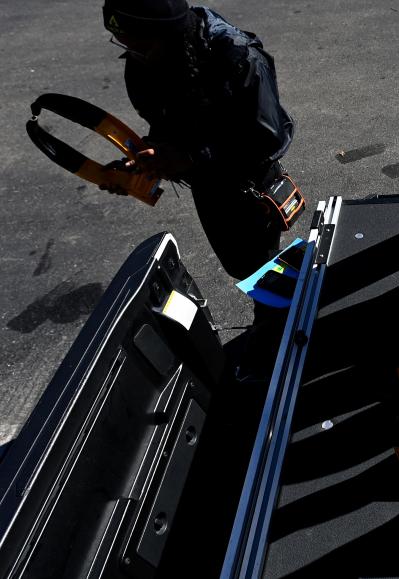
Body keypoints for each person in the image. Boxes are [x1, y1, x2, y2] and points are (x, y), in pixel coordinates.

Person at [102, 0, 295, 378]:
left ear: (167, 34)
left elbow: (269, 136)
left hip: (247, 179)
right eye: (122, 43)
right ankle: (280, 316)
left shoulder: (235, 55)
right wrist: (144, 161)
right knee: (240, 264)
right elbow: (165, 124)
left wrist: (191, 157)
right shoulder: (146, 58)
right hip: (208, 181)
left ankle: (283, 335)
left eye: (140, 44)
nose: (132, 54)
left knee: (262, 261)